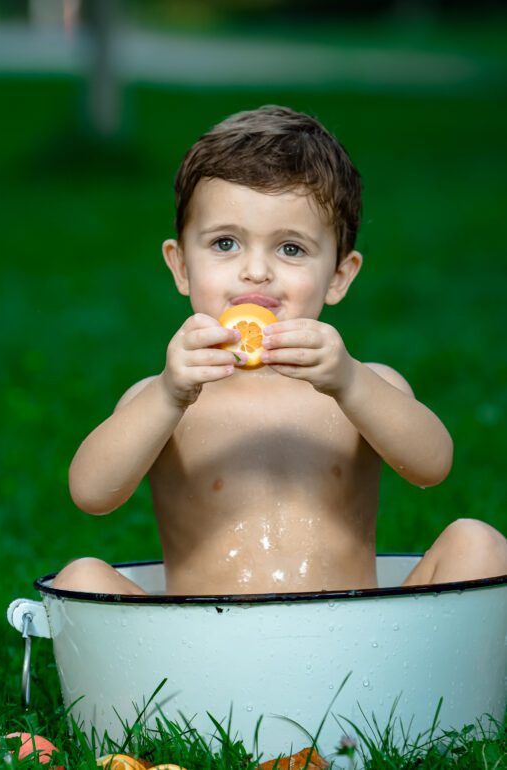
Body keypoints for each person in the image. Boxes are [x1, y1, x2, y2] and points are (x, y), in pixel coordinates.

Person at [53, 105, 507, 596]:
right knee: (81, 576)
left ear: (338, 276)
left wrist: (350, 382)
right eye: (225, 243)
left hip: (353, 641)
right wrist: (167, 395)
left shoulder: (362, 384)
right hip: (207, 646)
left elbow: (433, 464)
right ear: (181, 265)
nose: (256, 271)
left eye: (290, 249)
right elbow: (91, 493)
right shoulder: (166, 396)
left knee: (475, 541)